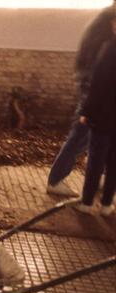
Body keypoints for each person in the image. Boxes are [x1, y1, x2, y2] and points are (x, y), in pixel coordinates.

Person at [47, 6, 116, 197]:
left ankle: (100, 176)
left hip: (92, 80)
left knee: (96, 133)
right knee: (83, 133)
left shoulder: (103, 19)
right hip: (95, 83)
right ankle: (55, 179)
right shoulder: (108, 22)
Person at [74, 36, 116, 216]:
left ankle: (87, 202)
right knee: (114, 162)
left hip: (104, 115)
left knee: (96, 160)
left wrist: (86, 111)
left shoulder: (110, 48)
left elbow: (98, 83)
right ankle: (107, 204)